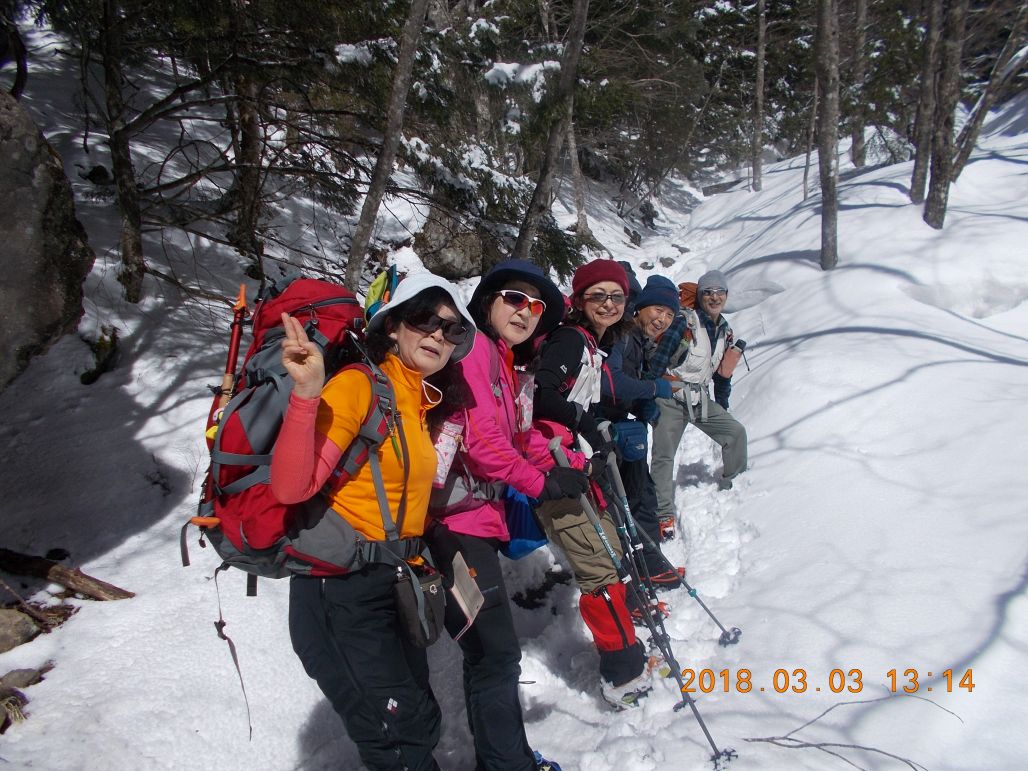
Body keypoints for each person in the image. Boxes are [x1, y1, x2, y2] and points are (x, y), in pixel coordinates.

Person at [270, 273, 476, 771]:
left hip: (391, 582)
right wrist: (307, 393)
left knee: (418, 720)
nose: (437, 336)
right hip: (340, 592)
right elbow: (291, 487)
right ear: (391, 327)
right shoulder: (359, 386)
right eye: (424, 320)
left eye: (451, 330)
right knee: (396, 737)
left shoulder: (415, 401)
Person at [425, 259, 580, 770]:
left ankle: (500, 759)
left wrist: (568, 464)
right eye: (515, 297)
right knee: (494, 655)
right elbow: (484, 445)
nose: (527, 310)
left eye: (537, 306)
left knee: (488, 654)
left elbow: (516, 439)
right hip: (452, 528)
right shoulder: (471, 354)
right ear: (488, 301)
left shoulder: (503, 365)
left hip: (474, 522)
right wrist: (541, 484)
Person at [532, 258, 656, 710]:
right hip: (552, 468)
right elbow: (543, 395)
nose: (608, 303)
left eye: (617, 296)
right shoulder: (569, 339)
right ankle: (622, 675)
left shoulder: (590, 345)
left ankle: (623, 645)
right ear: (580, 299)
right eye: (597, 295)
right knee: (600, 568)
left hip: (574, 465)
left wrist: (594, 441)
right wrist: (584, 423)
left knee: (609, 553)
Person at [598, 274, 683, 585]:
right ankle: (631, 578)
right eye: (658, 310)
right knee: (620, 506)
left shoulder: (639, 341)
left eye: (670, 315)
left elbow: (622, 390)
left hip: (619, 428)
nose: (662, 319)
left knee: (641, 496)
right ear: (641, 308)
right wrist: (651, 389)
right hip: (601, 433)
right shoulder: (622, 336)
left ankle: (650, 565)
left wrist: (640, 403)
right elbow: (609, 382)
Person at [644, 269, 748, 518]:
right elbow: (659, 360)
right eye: (708, 293)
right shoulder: (685, 322)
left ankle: (734, 486)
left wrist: (722, 404)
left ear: (726, 295)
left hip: (699, 399)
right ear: (700, 296)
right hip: (670, 396)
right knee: (664, 457)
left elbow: (722, 374)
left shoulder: (725, 330)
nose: (714, 297)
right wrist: (649, 394)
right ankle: (663, 514)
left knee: (735, 433)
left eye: (719, 292)